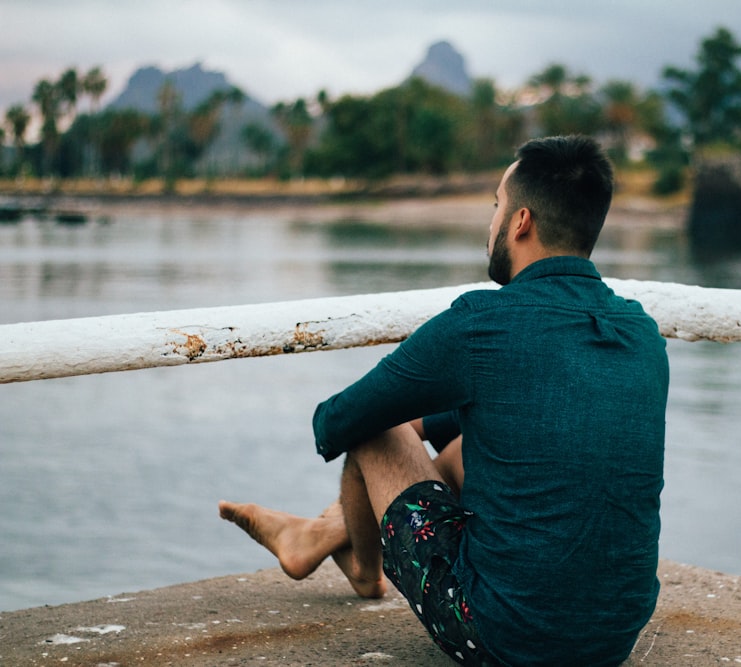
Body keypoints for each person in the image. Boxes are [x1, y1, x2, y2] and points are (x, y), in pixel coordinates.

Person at [219, 135, 669, 666]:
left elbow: (336, 422)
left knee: (377, 426)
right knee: (476, 437)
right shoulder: (641, 331)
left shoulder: (480, 323)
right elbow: (525, 406)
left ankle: (364, 569)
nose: (491, 226)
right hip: (614, 638)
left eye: (495, 208)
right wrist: (442, 419)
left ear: (520, 222)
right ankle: (318, 535)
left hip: (508, 640)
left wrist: (409, 422)